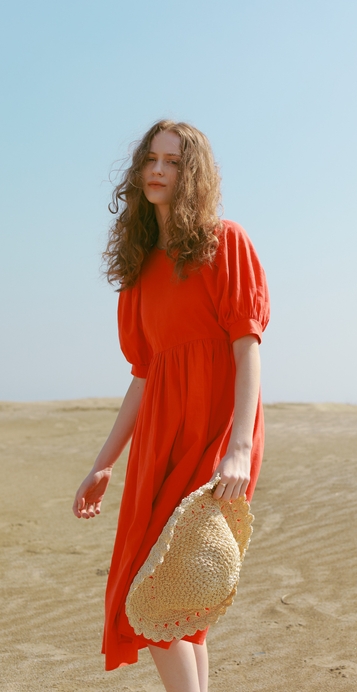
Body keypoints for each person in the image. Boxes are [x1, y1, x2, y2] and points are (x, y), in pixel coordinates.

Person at [72, 119, 270, 692]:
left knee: (156, 591)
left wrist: (238, 448)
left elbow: (247, 346)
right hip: (161, 434)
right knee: (178, 600)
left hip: (217, 430)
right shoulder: (139, 270)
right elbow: (143, 375)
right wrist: (104, 463)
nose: (159, 170)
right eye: (151, 160)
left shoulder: (225, 241)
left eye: (175, 162)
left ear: (194, 175)